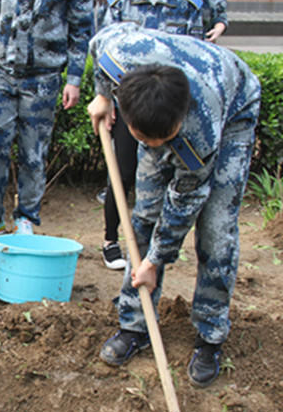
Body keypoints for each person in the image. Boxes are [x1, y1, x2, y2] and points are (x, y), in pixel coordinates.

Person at [87, 23, 261, 388]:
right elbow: (98, 43)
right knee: (143, 218)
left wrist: (154, 260)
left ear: (179, 125)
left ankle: (211, 334)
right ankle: (135, 325)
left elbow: (185, 203)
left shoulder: (201, 132)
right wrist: (103, 96)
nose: (155, 146)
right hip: (162, 99)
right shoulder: (120, 56)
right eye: (144, 138)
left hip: (234, 109)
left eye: (164, 139)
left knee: (215, 228)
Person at [0, 0, 94, 240]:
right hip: (1, 72)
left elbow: (80, 32)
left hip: (43, 78)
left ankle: (26, 216)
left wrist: (73, 79)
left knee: (33, 151)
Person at [98, 0, 206, 271]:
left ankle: (153, 250)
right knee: (122, 172)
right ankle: (110, 240)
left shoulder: (187, 4)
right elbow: (103, 49)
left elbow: (196, 57)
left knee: (168, 178)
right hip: (130, 108)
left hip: (170, 109)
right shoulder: (120, 2)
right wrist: (104, 97)